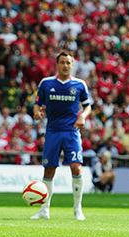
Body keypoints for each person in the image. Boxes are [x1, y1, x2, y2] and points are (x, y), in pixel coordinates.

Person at [30, 51, 93, 221]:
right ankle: (44, 210)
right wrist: (37, 112)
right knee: (49, 170)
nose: (65, 65)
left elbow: (88, 106)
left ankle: (77, 209)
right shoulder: (46, 83)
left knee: (76, 167)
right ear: (57, 65)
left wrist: (82, 116)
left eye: (68, 63)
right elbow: (37, 104)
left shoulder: (80, 85)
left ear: (72, 65)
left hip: (72, 132)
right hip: (52, 131)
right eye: (62, 62)